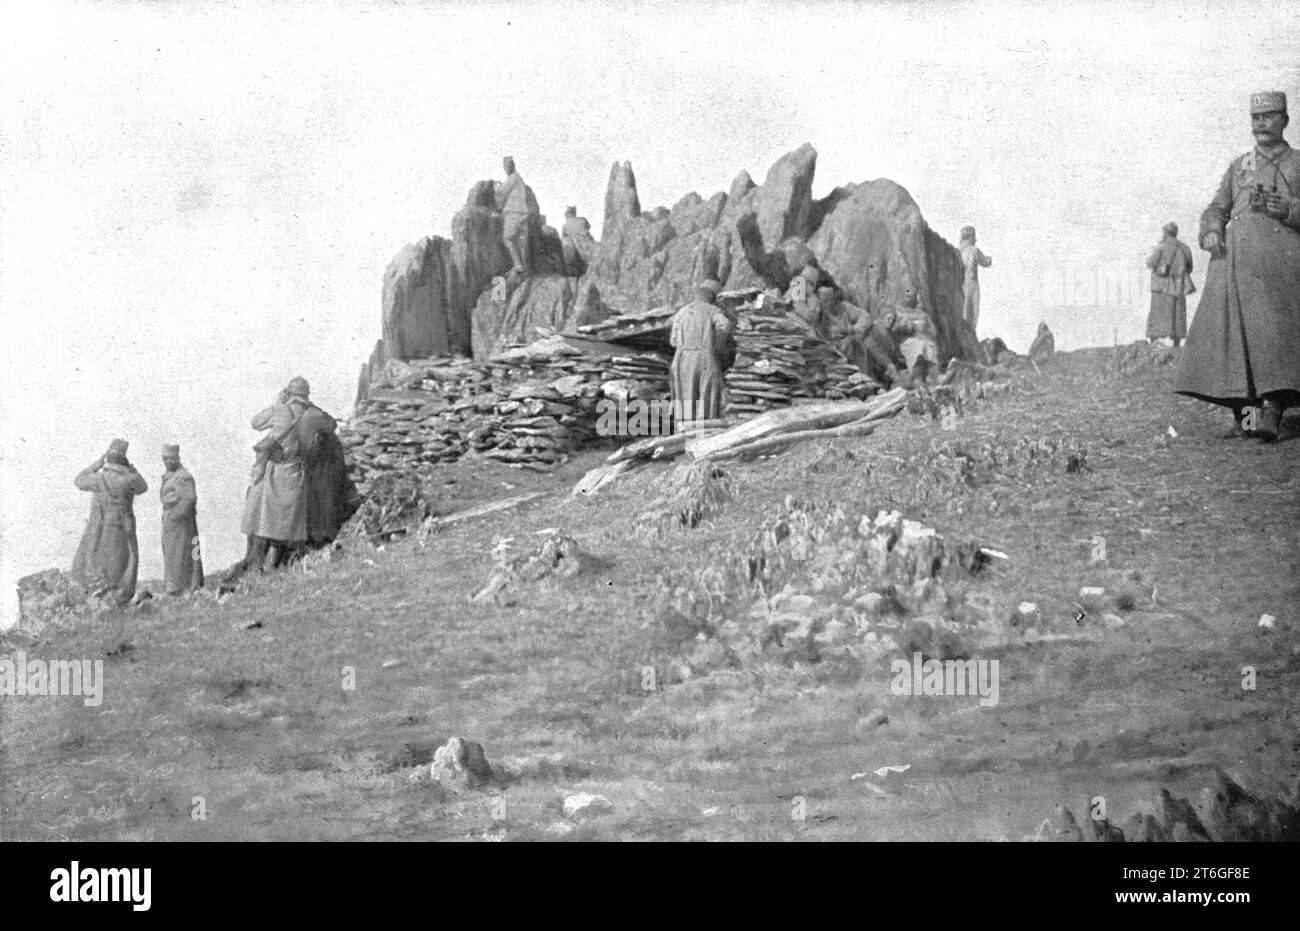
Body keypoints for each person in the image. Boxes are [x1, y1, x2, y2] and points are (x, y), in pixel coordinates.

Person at [1175, 91, 1300, 442]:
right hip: (1233, 268)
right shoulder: (1240, 165)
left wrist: (1290, 207)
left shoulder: (1298, 163)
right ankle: (1246, 420)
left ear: (1285, 120)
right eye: (1256, 118)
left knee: (1273, 340)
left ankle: (1273, 412)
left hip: (1280, 267)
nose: (1261, 123)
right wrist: (1212, 230)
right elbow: (1216, 208)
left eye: (1270, 116)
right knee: (1233, 344)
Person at [240, 377, 312, 570]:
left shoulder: (284, 410)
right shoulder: (311, 412)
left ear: (289, 393)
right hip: (298, 469)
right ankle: (278, 563)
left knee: (269, 521)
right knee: (288, 520)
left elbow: (256, 422)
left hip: (278, 470)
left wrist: (277, 403)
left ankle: (266, 565)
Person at [71, 438, 147, 604]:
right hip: (123, 525)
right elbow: (143, 487)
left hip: (102, 524)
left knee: (100, 558)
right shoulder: (129, 479)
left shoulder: (99, 478)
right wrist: (133, 471)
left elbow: (79, 480)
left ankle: (101, 595)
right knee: (123, 560)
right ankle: (119, 596)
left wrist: (96, 464)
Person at [669, 279, 734, 426]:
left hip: (681, 358)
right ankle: (703, 431)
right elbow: (724, 326)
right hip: (704, 356)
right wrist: (716, 345)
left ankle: (683, 430)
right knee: (705, 394)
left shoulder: (682, 312)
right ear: (713, 297)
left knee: (684, 394)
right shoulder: (713, 311)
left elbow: (673, 341)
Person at [159, 444, 204, 596]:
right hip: (173, 519)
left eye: (171, 458)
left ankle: (181, 588)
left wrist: (174, 517)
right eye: (165, 458)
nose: (168, 461)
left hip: (180, 521)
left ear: (177, 458)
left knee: (180, 554)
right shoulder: (171, 476)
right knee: (173, 553)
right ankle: (178, 588)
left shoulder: (182, 476)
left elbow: (189, 498)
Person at [1144, 222, 1194, 347]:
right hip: (1178, 286)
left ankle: (1154, 340)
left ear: (1166, 232)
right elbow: (1189, 268)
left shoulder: (1160, 247)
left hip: (1161, 286)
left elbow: (1150, 263)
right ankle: (1176, 342)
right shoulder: (1185, 248)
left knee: (1157, 312)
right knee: (1178, 314)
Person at [494, 156, 530, 277]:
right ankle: (522, 266)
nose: (505, 169)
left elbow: (501, 193)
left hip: (514, 213)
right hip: (522, 213)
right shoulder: (518, 178)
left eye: (506, 166)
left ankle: (518, 265)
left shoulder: (512, 178)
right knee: (519, 241)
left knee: (508, 239)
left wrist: (496, 187)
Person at [959, 226, 992, 332]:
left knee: (964, 308)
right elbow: (986, 263)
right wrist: (990, 259)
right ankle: (970, 333)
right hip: (972, 282)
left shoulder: (959, 251)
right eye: (974, 236)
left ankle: (966, 332)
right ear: (970, 237)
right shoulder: (974, 250)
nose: (975, 239)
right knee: (973, 310)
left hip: (962, 284)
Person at [560, 205, 595, 276]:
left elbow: (564, 237)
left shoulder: (565, 225)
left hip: (576, 248)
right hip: (589, 246)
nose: (565, 216)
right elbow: (588, 227)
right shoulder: (583, 219)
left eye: (566, 214)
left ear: (569, 214)